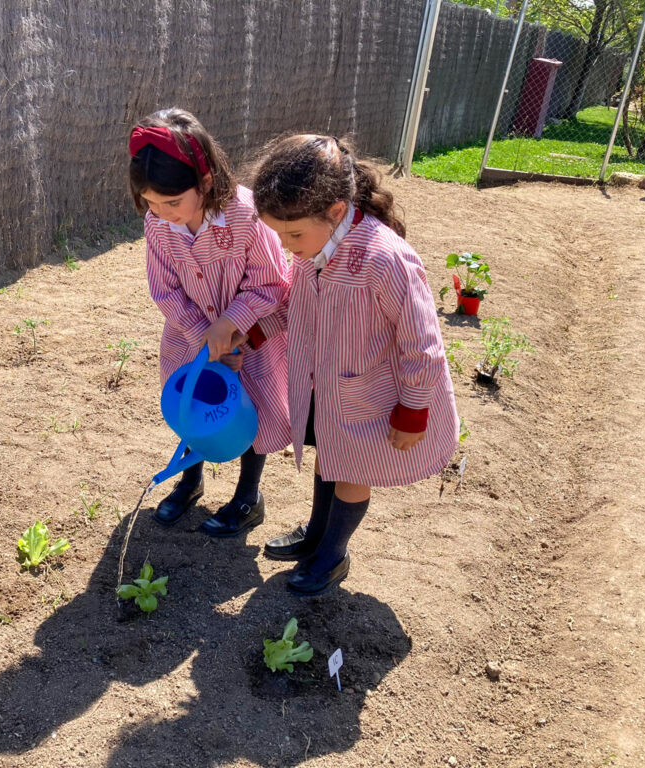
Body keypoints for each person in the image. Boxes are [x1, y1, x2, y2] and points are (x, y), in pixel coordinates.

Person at [251, 134, 459, 596]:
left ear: (337, 211)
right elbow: (298, 303)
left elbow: (422, 345)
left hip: (373, 396)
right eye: (279, 236)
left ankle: (334, 553)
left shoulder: (385, 259)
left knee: (352, 472)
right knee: (332, 457)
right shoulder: (314, 251)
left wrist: (413, 411)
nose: (287, 247)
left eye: (294, 235)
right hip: (329, 385)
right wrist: (260, 329)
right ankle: (316, 534)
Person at [129, 108, 291, 536]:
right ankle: (190, 480)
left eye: (172, 201)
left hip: (254, 335)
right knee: (196, 405)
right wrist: (205, 336)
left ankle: (247, 496)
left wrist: (232, 326)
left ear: (204, 182)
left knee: (247, 411)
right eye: (150, 202)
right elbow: (165, 290)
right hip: (190, 337)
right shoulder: (159, 226)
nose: (162, 213)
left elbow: (272, 283)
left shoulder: (246, 215)